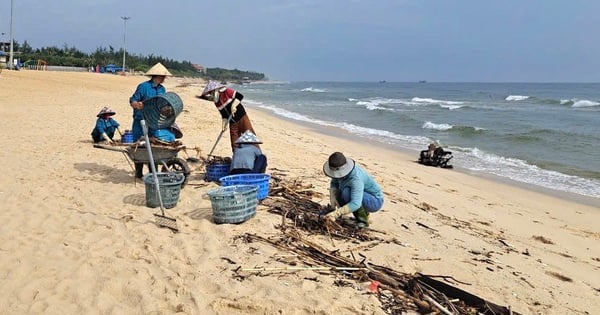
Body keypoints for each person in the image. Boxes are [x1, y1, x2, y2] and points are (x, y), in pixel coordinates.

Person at [129, 62, 172, 178]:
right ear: (157, 76)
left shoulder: (162, 89)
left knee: (153, 145)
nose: (164, 78)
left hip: (154, 122)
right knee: (139, 145)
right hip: (140, 120)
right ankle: (138, 172)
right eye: (163, 76)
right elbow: (133, 100)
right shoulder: (143, 87)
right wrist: (136, 105)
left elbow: (162, 104)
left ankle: (153, 172)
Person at [322, 152, 384, 228]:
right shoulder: (338, 173)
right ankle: (362, 213)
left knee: (347, 193)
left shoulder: (356, 178)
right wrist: (333, 197)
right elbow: (334, 182)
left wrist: (337, 213)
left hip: (374, 200)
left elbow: (355, 203)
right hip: (359, 195)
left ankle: (363, 220)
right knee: (341, 193)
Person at [199, 81, 258, 152]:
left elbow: (240, 96)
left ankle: (258, 156)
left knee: (250, 137)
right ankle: (237, 158)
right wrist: (224, 123)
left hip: (241, 117)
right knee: (234, 143)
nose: (211, 95)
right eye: (209, 94)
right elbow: (223, 114)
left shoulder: (227, 91)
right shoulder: (216, 102)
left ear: (215, 90)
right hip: (232, 122)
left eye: (211, 93)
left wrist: (234, 105)